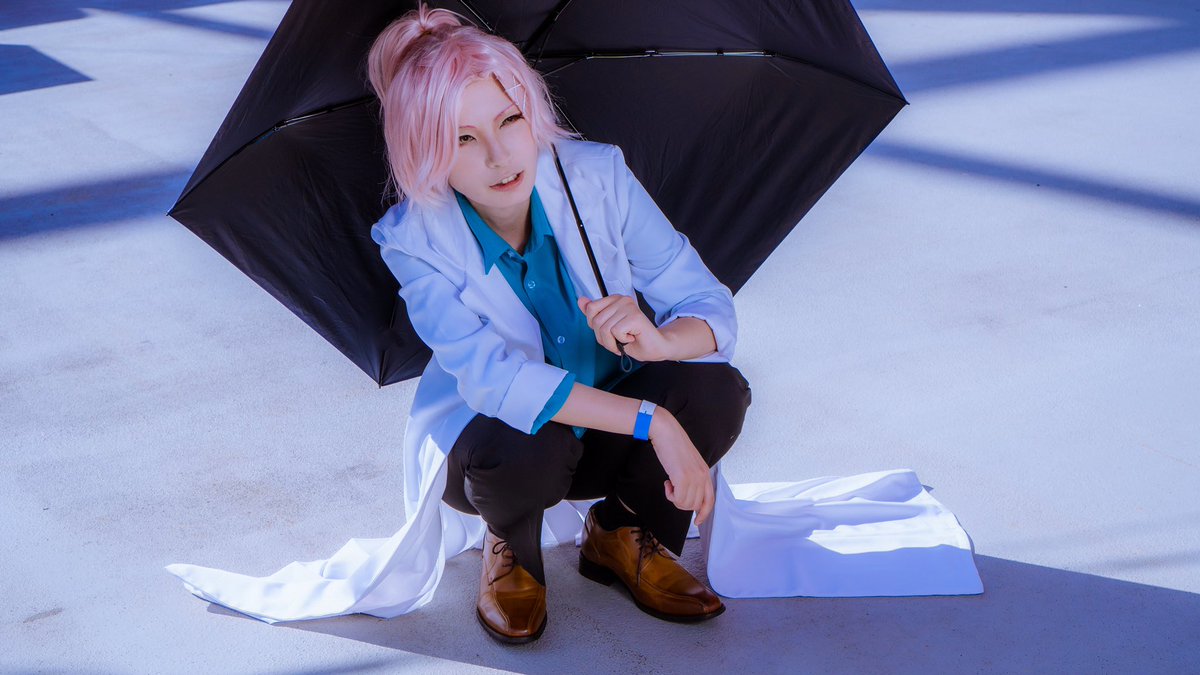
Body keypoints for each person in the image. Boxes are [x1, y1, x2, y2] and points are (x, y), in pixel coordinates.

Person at [365, 5, 751, 644]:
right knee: (525, 443)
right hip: (499, 453)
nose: (500, 156)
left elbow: (706, 303)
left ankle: (622, 530)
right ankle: (510, 548)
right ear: (424, 151)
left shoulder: (597, 174)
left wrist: (661, 341)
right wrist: (655, 421)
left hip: (606, 435)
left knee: (717, 390)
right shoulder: (412, 239)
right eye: (462, 139)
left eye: (510, 119)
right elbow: (495, 383)